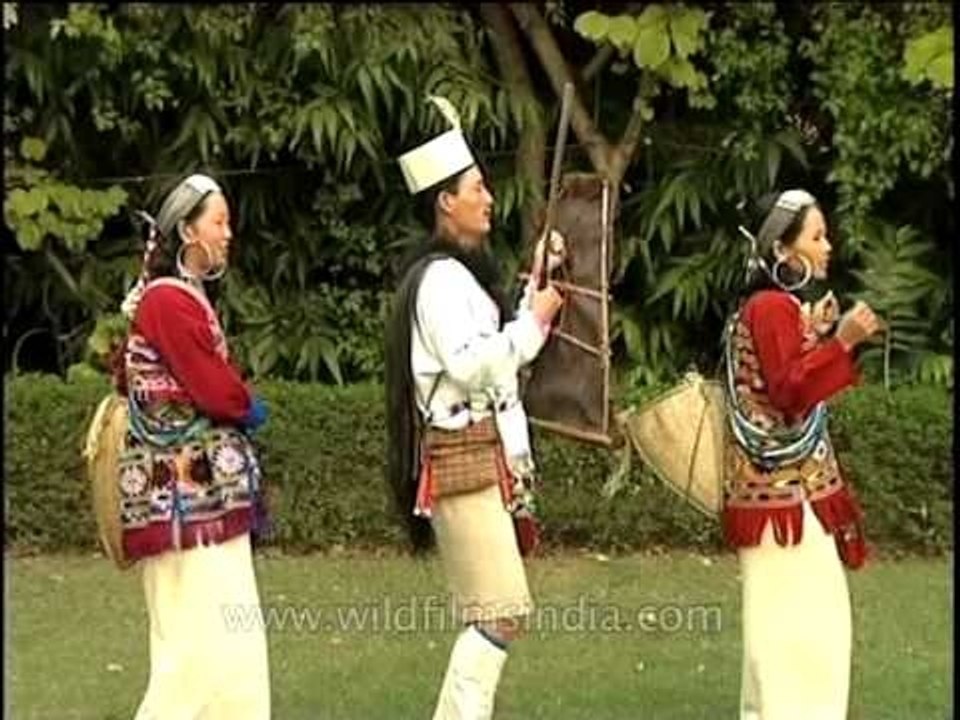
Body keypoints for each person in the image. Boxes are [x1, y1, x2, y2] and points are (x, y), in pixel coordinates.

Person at [384, 97, 564, 719]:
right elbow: (470, 363)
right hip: (463, 461)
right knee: (500, 612)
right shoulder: (437, 280)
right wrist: (533, 324)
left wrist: (530, 297)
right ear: (445, 201)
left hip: (481, 460)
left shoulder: (453, 277)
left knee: (499, 613)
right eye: (476, 188)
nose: (489, 198)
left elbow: (488, 349)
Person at [114, 173, 271, 719]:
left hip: (194, 501)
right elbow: (211, 385)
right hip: (184, 500)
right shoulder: (168, 302)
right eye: (219, 222)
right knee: (197, 645)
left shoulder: (175, 298)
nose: (229, 234)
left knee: (221, 632)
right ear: (186, 229)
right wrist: (246, 404)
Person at [723, 189, 882, 720]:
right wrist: (842, 341)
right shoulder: (770, 306)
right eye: (816, 237)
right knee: (805, 635)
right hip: (781, 499)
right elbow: (789, 392)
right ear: (783, 252)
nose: (827, 246)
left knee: (783, 635)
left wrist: (818, 336)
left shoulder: (776, 306)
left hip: (781, 499)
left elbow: (781, 381)